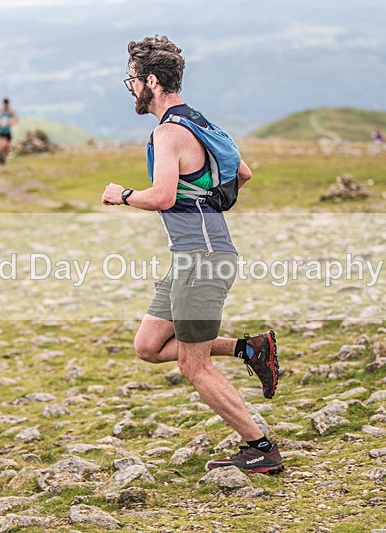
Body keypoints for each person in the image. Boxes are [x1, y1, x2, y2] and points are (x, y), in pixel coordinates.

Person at [101, 36, 282, 474]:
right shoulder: (197, 121)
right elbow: (242, 172)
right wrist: (203, 197)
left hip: (201, 259)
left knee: (192, 364)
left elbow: (162, 196)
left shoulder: (168, 131)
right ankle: (250, 348)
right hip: (192, 257)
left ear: (151, 81)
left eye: (131, 80)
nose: (129, 88)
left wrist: (123, 195)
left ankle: (260, 448)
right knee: (148, 346)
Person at [0, 98, 18, 165]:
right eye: (5, 103)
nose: (6, 104)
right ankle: (1, 157)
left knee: (8, 146)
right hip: (1, 130)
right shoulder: (0, 110)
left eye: (7, 103)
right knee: (3, 144)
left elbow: (16, 117)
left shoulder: (10, 111)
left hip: (8, 130)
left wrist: (12, 124)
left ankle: (3, 157)